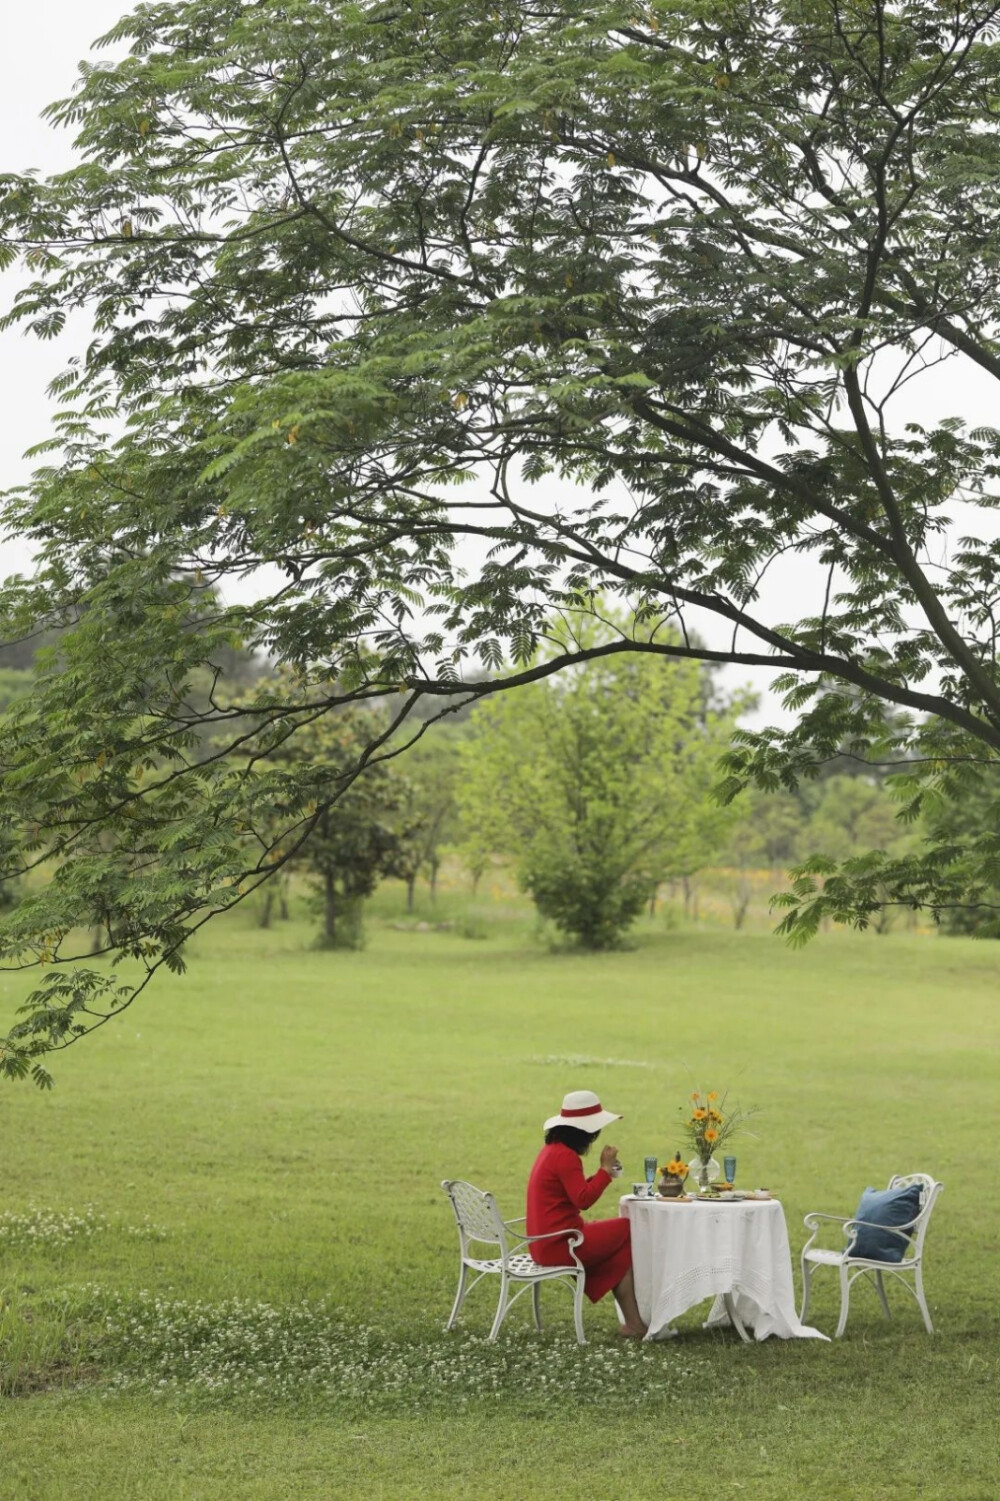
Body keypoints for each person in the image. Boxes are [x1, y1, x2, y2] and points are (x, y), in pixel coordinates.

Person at [526, 1089, 648, 1339]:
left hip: (543, 1243)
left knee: (620, 1248)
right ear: (585, 1133)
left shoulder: (552, 1150)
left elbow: (575, 1191)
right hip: (562, 1243)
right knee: (628, 1228)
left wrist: (604, 1174)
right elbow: (583, 1200)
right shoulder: (566, 1157)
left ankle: (634, 1324)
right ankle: (636, 1321)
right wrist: (604, 1169)